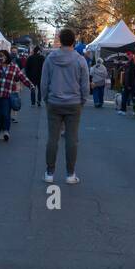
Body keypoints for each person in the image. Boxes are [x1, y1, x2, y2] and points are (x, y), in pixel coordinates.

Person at [41, 28, 90, 183]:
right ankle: (70, 174)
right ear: (74, 41)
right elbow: (85, 84)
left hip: (54, 102)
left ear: (60, 40)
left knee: (52, 139)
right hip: (74, 103)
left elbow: (44, 82)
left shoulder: (50, 58)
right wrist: (83, 100)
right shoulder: (80, 60)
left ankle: (49, 173)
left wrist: (46, 99)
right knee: (72, 139)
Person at [0, 49, 34, 142]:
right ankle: (1, 131)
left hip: (7, 94)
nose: (0, 58)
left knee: (6, 113)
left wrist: (31, 86)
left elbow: (22, 77)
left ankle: (6, 131)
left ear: (7, 57)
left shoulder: (14, 67)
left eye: (2, 56)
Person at [118, 50, 135, 114]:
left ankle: (133, 110)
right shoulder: (128, 64)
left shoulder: (132, 65)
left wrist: (129, 85)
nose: (128, 56)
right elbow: (124, 72)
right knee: (128, 97)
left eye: (129, 55)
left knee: (132, 97)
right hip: (128, 84)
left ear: (132, 56)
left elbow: (132, 76)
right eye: (128, 55)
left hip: (130, 84)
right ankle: (124, 110)